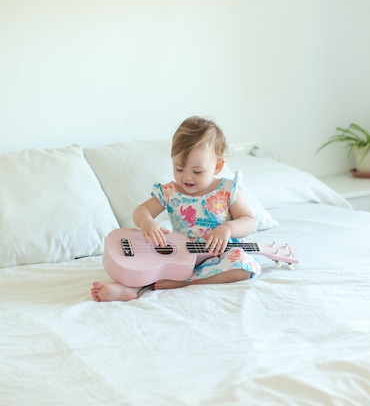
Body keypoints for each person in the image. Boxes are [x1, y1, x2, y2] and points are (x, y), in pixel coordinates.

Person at [91, 116, 261, 302]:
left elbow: (249, 221)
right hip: (181, 255)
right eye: (179, 168)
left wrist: (227, 229)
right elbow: (141, 211)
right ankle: (126, 288)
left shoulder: (228, 190)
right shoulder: (170, 192)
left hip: (218, 256)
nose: (187, 177)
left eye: (197, 171)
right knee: (150, 263)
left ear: (218, 166)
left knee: (243, 267)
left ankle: (189, 283)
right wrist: (147, 222)